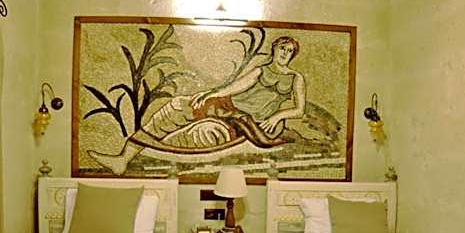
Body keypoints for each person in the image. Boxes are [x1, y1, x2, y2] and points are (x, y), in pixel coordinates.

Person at [88, 36, 307, 175]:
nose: (285, 54)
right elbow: (235, 87)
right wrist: (211, 94)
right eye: (282, 49)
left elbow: (299, 110)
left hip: (248, 121)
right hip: (229, 106)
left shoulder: (296, 78)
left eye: (290, 51)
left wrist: (278, 116)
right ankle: (124, 158)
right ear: (274, 49)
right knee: (177, 105)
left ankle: (159, 148)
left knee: (203, 131)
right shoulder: (261, 70)